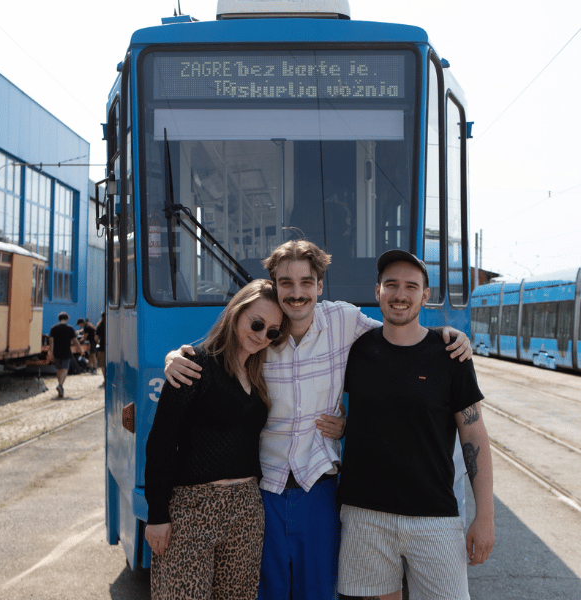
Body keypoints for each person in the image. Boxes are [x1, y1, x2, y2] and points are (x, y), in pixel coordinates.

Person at [164, 240, 472, 600]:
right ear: (274, 286)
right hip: (265, 489)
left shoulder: (343, 320)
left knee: (319, 592)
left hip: (319, 489)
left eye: (306, 282)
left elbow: (398, 334)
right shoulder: (262, 333)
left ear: (320, 286)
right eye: (286, 283)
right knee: (266, 592)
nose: (297, 294)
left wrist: (444, 335)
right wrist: (176, 356)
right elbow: (219, 353)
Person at [337, 250, 494, 600]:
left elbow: (473, 433)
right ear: (377, 291)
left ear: (425, 296)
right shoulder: (356, 350)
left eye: (411, 286)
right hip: (365, 514)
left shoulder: (451, 353)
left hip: (435, 517)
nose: (400, 294)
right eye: (391, 284)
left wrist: (485, 515)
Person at [145, 279, 290, 600]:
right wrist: (157, 515)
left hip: (246, 510)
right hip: (191, 511)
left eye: (272, 332)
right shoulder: (194, 365)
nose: (261, 335)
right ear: (236, 313)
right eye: (256, 323)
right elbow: (161, 443)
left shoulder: (260, 375)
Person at [48, 312, 82, 398]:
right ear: (67, 319)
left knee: (59, 369)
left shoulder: (53, 328)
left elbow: (51, 342)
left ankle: (60, 387)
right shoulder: (70, 328)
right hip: (66, 351)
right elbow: (75, 341)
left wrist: (51, 354)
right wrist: (80, 350)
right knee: (65, 369)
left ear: (59, 319)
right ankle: (60, 385)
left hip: (56, 352)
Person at [95, 312, 106, 386]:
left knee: (102, 364)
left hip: (102, 347)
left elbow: (95, 337)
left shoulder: (100, 325)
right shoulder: (112, 324)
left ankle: (105, 379)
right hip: (112, 348)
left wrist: (99, 342)